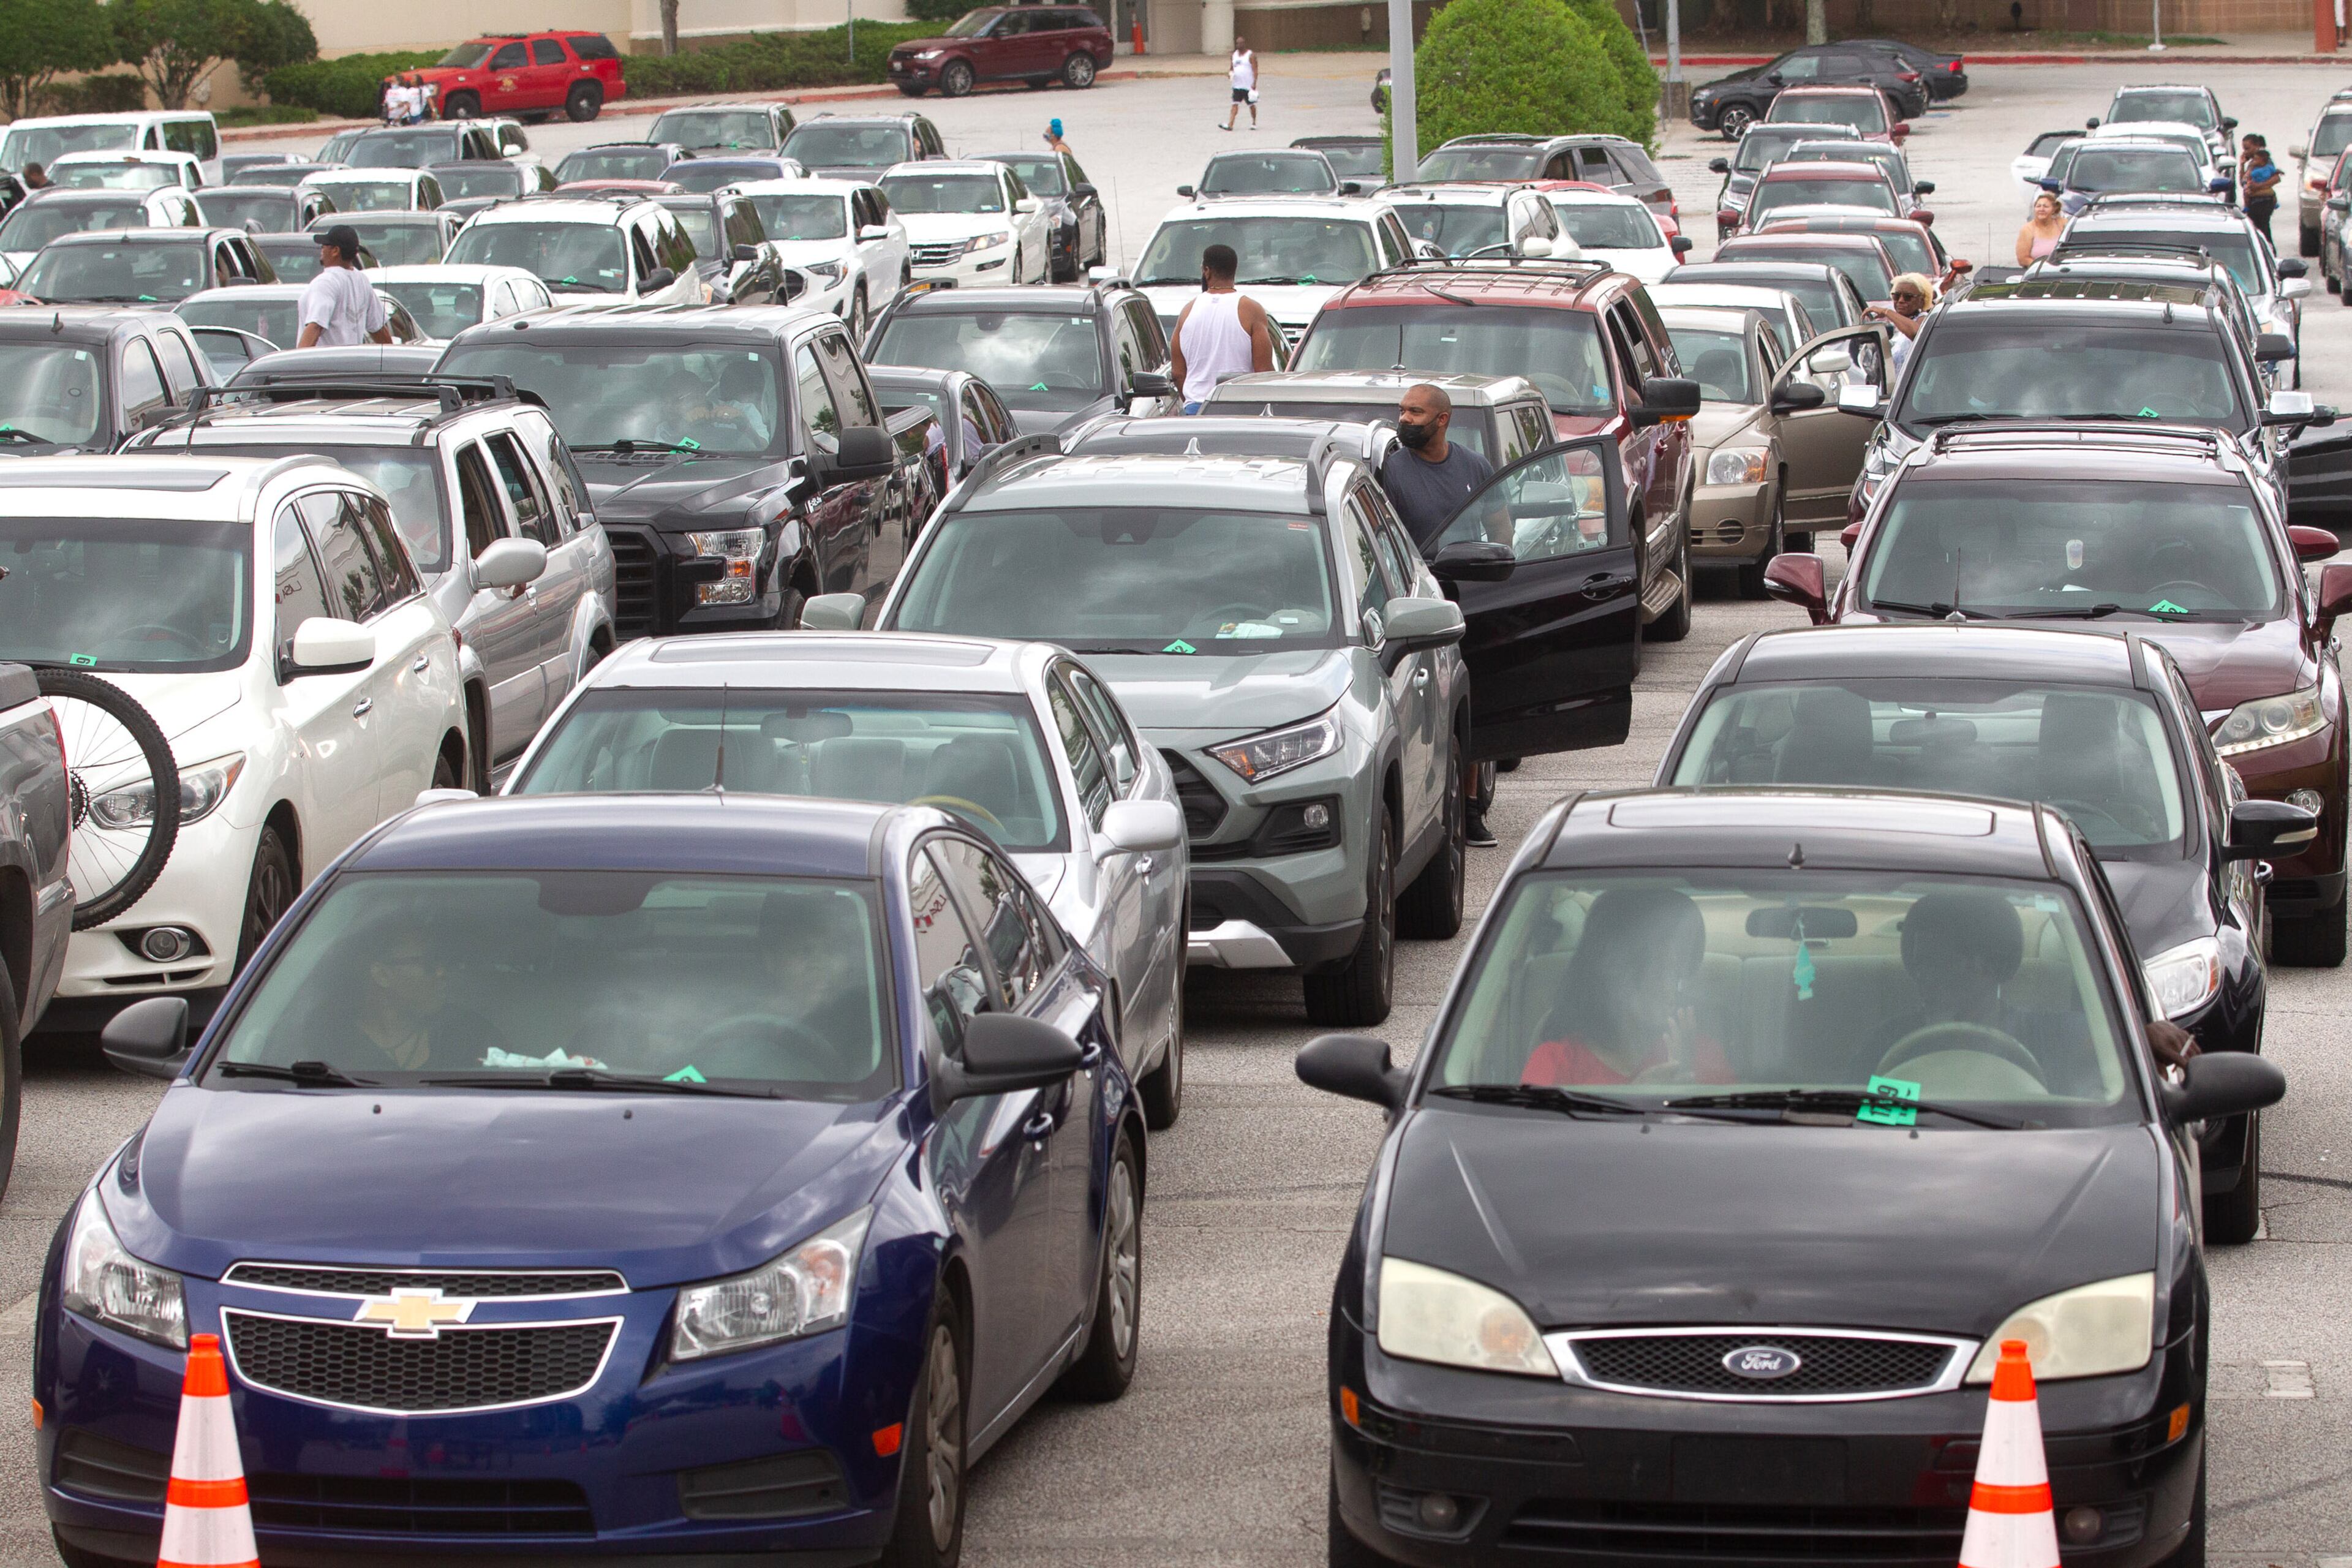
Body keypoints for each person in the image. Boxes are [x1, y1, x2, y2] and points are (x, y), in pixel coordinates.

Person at [1379, 383, 1499, 846]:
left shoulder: (1474, 468)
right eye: (1403, 411)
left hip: (1469, 603)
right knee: (1427, 712)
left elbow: (1500, 530)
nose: (1405, 418)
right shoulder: (1391, 470)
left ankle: (1470, 810)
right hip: (1416, 610)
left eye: (1415, 411)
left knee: (1468, 708)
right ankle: (1429, 808)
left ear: (1443, 419)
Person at [1520, 887, 1735, 1086]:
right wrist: (1636, 1097)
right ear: (1606, 974)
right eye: (1653, 972)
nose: (1668, 988)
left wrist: (1693, 1083)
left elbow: (1735, 1125)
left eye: (1675, 974)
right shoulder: (1556, 1062)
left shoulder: (1700, 1052)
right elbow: (1528, 1128)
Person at [1169, 243, 1275, 411]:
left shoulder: (1187, 312)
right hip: (1240, 408)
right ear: (1234, 270)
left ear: (1207, 271)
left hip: (1197, 407)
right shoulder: (1251, 310)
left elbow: (1178, 373)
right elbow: (1264, 372)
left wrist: (1192, 402)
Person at [296, 224, 392, 349]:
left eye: (325, 245)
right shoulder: (362, 281)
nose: (322, 249)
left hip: (323, 365)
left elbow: (315, 326)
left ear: (335, 251)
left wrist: (296, 364)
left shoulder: (326, 282)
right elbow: (379, 330)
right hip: (350, 363)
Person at [1865, 272, 1932, 374]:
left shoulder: (1924, 319)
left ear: (1922, 300)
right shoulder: (1896, 324)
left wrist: (1886, 312)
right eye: (1896, 296)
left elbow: (1917, 334)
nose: (1901, 301)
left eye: (1908, 297)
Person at [2241, 134, 2282, 245]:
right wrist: (2242, 165)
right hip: (2253, 201)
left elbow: (2276, 178)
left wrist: (2257, 186)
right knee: (2255, 228)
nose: (2245, 152)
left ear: (2257, 146)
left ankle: (2269, 251)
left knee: (2263, 228)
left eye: (2248, 148)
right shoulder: (2252, 164)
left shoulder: (2265, 161)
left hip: (2264, 200)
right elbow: (2243, 182)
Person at [2015, 190, 2064, 263]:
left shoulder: (2062, 224)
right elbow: (2023, 259)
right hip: (2039, 271)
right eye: (2038, 206)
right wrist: (2042, 267)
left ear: (2054, 210)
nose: (2041, 209)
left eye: (2046, 207)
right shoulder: (2027, 229)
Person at [1222, 37, 1258, 132]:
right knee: (1235, 104)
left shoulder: (1251, 55)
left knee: (1251, 105)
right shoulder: (1234, 56)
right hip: (1237, 85)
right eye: (1237, 44)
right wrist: (1230, 75)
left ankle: (1254, 122)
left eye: (1241, 43)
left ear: (1244, 44)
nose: (1239, 45)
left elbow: (1255, 70)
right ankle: (1230, 124)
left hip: (1248, 85)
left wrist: (1254, 83)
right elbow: (1231, 68)